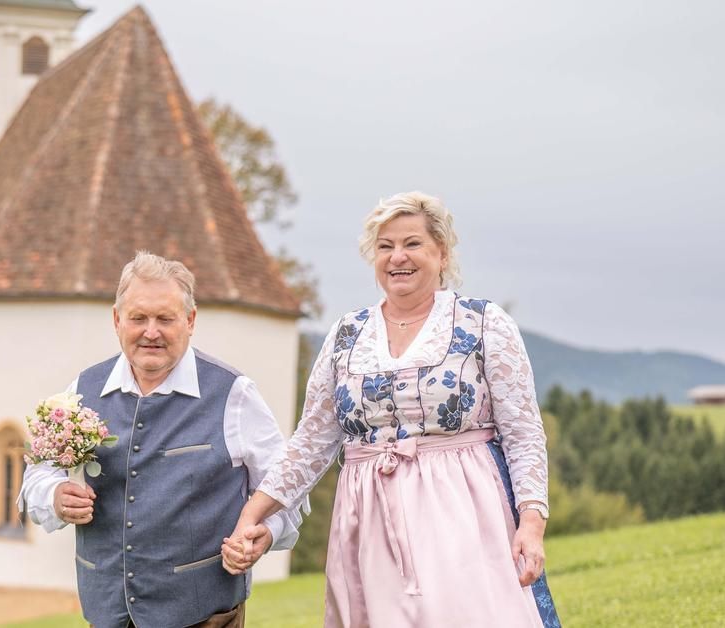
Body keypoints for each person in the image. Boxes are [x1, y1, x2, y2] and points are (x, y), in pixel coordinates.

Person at [221, 192, 561, 627]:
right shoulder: (348, 333)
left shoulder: (482, 322)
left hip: (462, 508)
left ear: (442, 252)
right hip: (369, 518)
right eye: (385, 246)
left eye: (412, 243)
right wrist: (253, 515)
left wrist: (531, 523)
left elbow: (524, 432)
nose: (398, 257)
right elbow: (311, 442)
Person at [18, 251, 301, 628]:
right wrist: (54, 496)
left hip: (205, 618)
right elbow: (37, 474)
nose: (151, 331)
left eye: (165, 318)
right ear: (117, 320)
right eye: (138, 318)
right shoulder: (82, 391)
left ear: (190, 320)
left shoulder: (234, 394)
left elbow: (287, 487)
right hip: (107, 615)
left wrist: (264, 534)